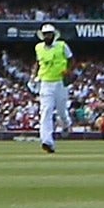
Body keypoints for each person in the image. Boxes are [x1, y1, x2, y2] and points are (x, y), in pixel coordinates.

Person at [32, 24, 71, 153]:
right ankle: (47, 141)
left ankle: (66, 124)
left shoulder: (62, 46)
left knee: (61, 111)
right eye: (45, 34)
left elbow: (71, 59)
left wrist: (68, 71)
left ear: (54, 35)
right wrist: (33, 76)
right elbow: (38, 63)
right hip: (46, 83)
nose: (47, 36)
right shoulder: (38, 48)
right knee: (46, 112)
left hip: (60, 82)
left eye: (49, 34)